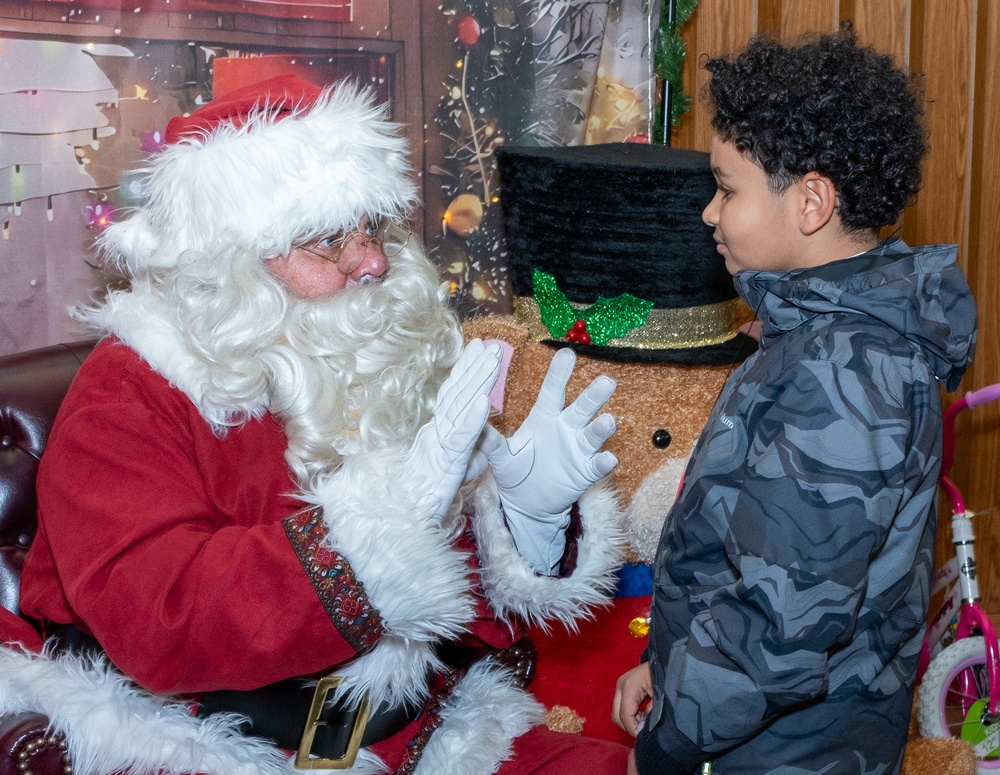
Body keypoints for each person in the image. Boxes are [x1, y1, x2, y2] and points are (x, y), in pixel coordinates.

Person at [3, 74, 631, 775]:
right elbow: (161, 616)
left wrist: (526, 526)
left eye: (373, 229)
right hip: (210, 748)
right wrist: (382, 531)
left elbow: (460, 617)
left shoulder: (378, 360)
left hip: (423, 735)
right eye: (329, 241)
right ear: (230, 265)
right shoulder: (131, 392)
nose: (374, 263)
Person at [612, 28, 978, 775]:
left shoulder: (845, 374)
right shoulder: (813, 336)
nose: (710, 213)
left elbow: (781, 627)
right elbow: (735, 554)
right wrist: (668, 662)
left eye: (727, 188)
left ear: (810, 201)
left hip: (784, 753)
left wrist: (669, 740)